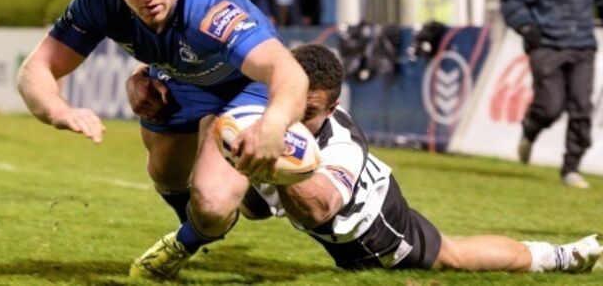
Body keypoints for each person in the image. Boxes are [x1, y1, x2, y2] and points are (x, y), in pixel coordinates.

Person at [16, 0, 308, 280]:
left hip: (242, 85)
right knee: (165, 173)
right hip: (183, 81)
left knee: (213, 203)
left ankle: (189, 238)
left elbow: (286, 69)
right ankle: (221, 209)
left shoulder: (208, 5)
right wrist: (60, 110)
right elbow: (35, 70)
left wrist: (275, 122)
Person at [128, 44, 602, 274]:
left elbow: (318, 209)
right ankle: (184, 239)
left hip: (370, 227)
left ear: (332, 107)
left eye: (308, 112)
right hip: (307, 200)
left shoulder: (343, 143)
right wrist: (144, 76)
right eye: (289, 101)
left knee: (452, 256)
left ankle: (560, 257)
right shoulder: (272, 98)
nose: (293, 117)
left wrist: (272, 166)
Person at [501, 0, 603, 189]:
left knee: (581, 108)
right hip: (546, 44)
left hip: (582, 45)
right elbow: (513, 0)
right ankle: (531, 128)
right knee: (550, 106)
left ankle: (571, 168)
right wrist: (526, 27)